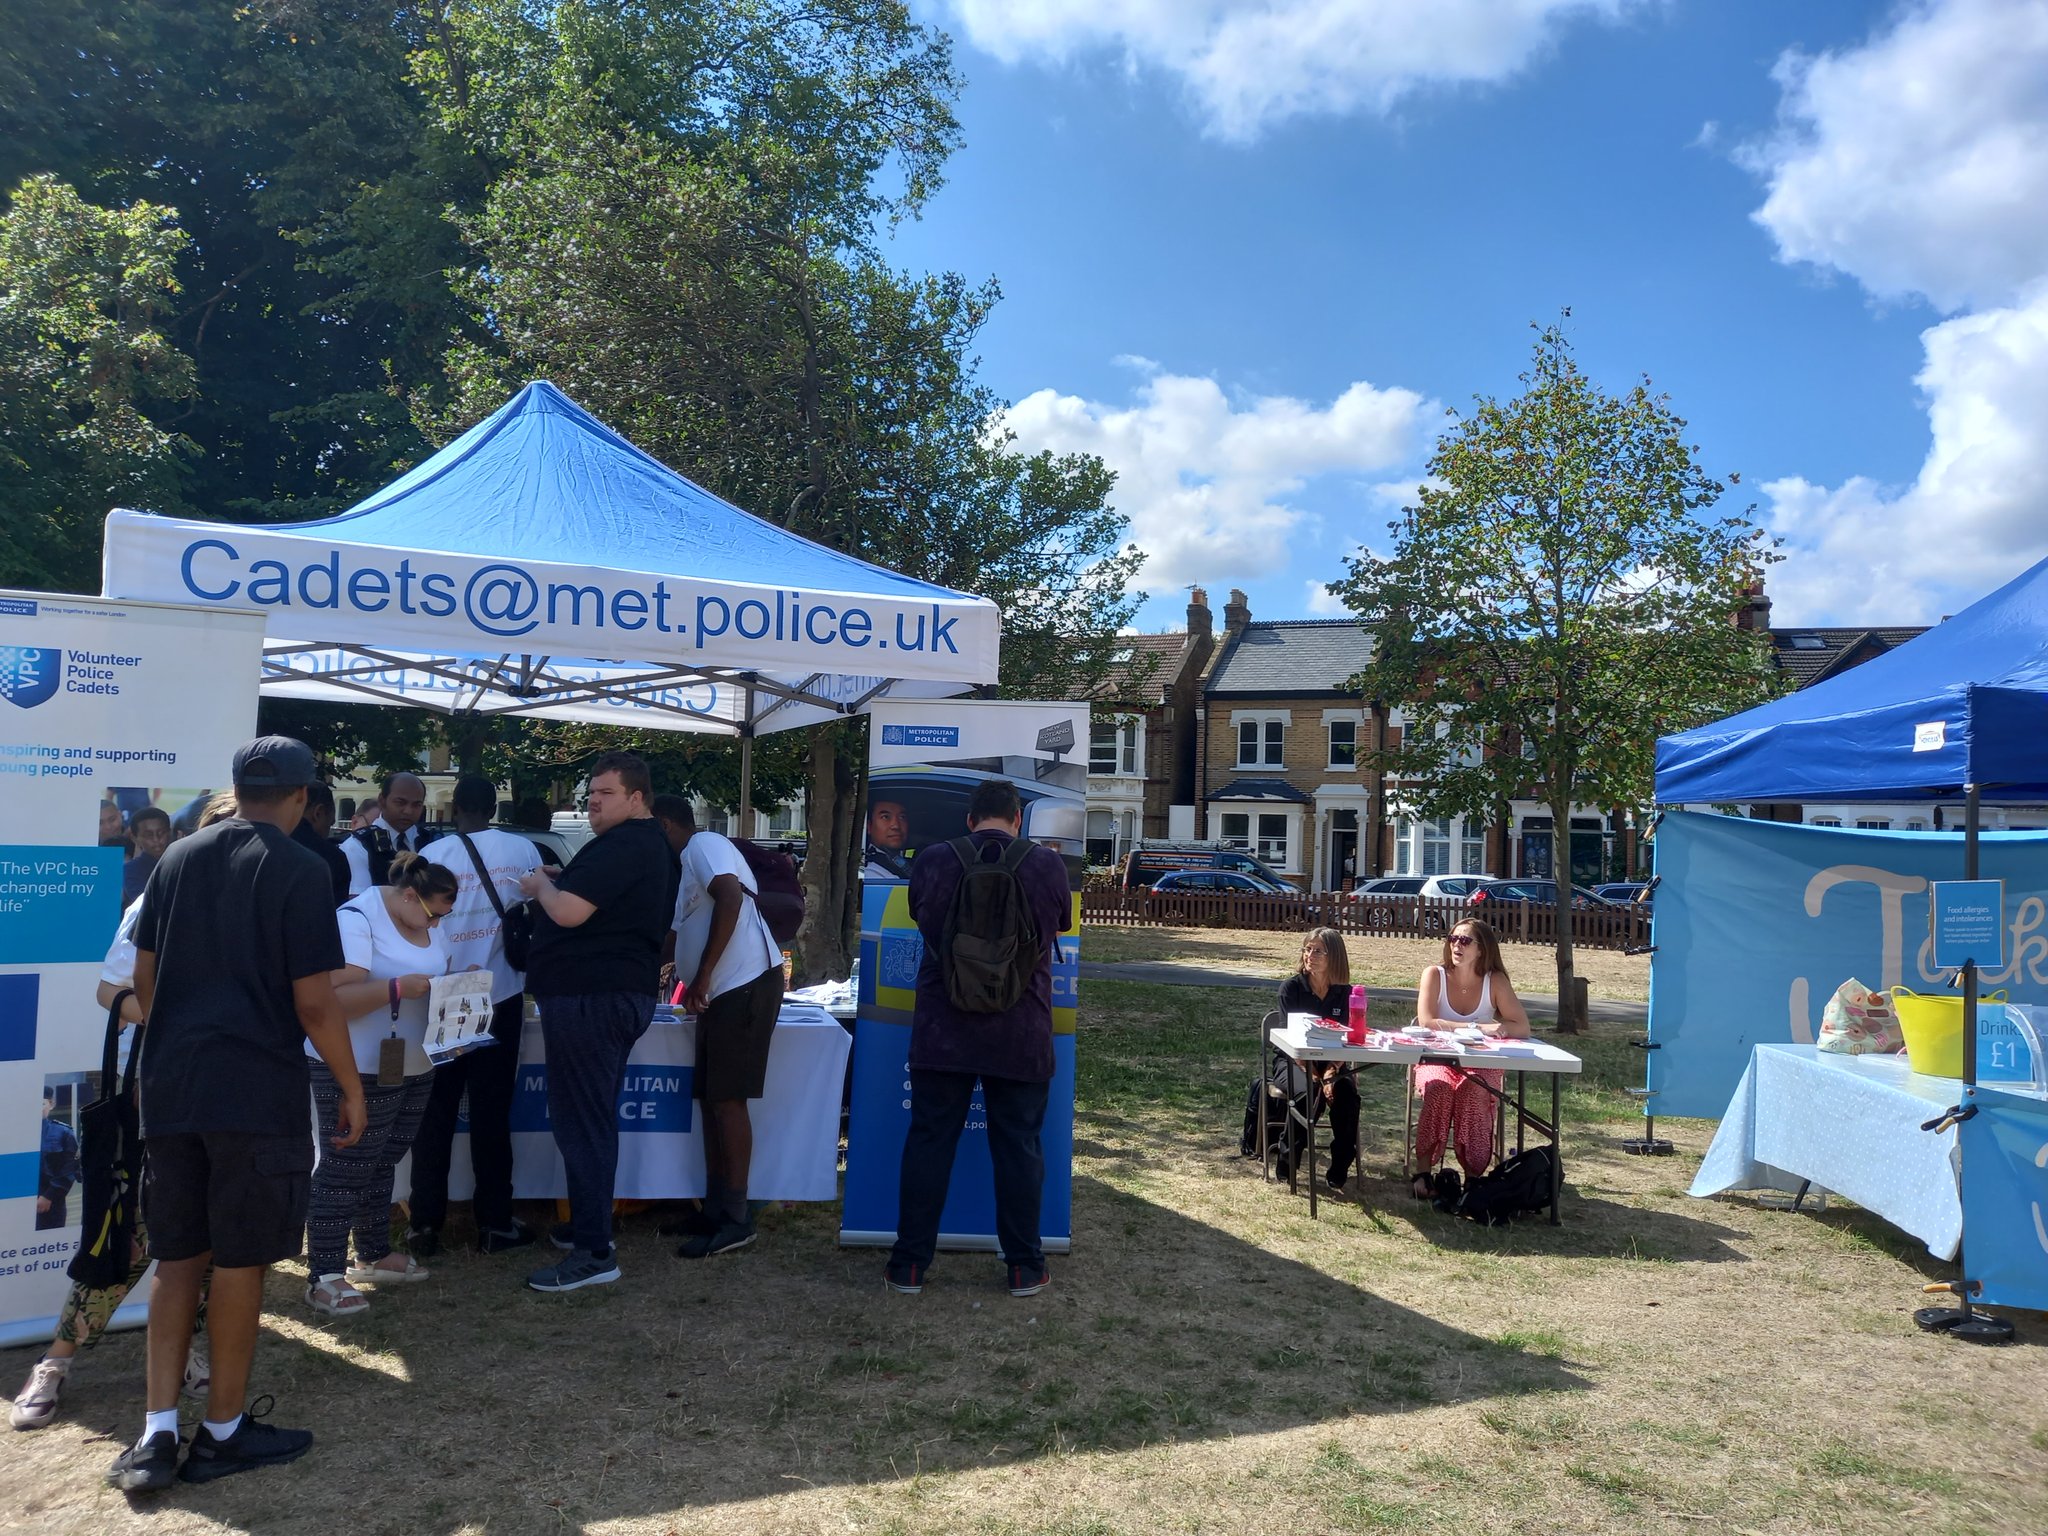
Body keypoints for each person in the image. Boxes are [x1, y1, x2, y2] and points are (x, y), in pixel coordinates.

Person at [108, 737, 365, 1493]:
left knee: (178, 1258)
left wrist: (183, 1044)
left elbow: (145, 980)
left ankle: (156, 1434)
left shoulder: (178, 858)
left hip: (174, 1085)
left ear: (239, 787)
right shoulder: (300, 868)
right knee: (241, 1261)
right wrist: (350, 1087)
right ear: (302, 796)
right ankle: (220, 1433)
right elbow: (314, 1001)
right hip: (254, 1091)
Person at [11, 796, 240, 1432]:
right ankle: (55, 1361)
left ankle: (185, 1353)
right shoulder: (157, 902)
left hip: (237, 1099)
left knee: (214, 1240)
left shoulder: (269, 906)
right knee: (129, 1231)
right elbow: (110, 989)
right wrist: (183, 1022)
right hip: (161, 1092)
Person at [886, 778, 1072, 1298]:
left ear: (969, 820)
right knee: (1018, 1147)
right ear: (1017, 819)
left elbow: (920, 916)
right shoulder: (1046, 864)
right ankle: (1024, 1268)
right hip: (1021, 1029)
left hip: (942, 1030)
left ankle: (908, 1266)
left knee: (929, 1141)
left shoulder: (934, 859)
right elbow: (1060, 923)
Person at [518, 752, 672, 1292]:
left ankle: (593, 1252)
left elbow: (568, 913)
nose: (592, 802)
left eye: (605, 793)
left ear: (637, 798)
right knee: (588, 1118)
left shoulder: (628, 842)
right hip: (598, 995)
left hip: (594, 998)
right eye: (589, 794)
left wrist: (541, 886)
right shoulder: (629, 845)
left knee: (582, 1122)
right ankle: (589, 1228)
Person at [302, 852, 457, 1316]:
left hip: (411, 1060)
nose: (436, 923)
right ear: (410, 895)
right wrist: (395, 989)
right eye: (433, 914)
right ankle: (324, 1274)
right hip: (352, 1062)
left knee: (384, 1157)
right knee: (346, 1162)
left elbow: (437, 975)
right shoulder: (355, 920)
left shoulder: (427, 915)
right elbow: (330, 1000)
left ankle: (370, 1253)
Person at [410, 775, 543, 1256]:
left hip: (446, 991)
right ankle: (494, 1222)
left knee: (437, 1113)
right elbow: (534, 907)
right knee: (491, 1112)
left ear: (454, 807)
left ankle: (425, 1224)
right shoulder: (521, 849)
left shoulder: (433, 855)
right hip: (501, 992)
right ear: (493, 806)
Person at [668, 801, 786, 1258]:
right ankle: (714, 1207)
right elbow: (676, 936)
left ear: (663, 823)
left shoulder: (704, 842)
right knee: (710, 1097)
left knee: (727, 1099)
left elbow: (732, 897)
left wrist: (702, 977)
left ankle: (737, 1219)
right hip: (718, 993)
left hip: (744, 984)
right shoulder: (686, 868)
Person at [1410, 918, 1530, 1197]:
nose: (1456, 945)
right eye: (1453, 939)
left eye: (1465, 941)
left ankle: (1473, 1177)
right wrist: (1476, 1027)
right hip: (1436, 1058)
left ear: (1482, 949)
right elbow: (1427, 1021)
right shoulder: (1434, 974)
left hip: (1481, 1060)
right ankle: (1423, 1172)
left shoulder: (1495, 981)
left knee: (1473, 1090)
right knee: (1439, 1090)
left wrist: (1500, 1028)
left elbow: (1522, 1027)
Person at [1276, 927, 1363, 1191]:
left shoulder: (1348, 994)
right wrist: (1315, 1075)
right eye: (1307, 949)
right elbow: (1290, 1043)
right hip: (1293, 1061)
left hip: (1334, 1062)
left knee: (1348, 1097)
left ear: (1334, 956)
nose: (1310, 956)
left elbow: (1349, 1038)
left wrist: (1331, 1073)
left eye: (1318, 951)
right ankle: (1287, 1160)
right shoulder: (1291, 989)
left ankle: (1339, 1167)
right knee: (1310, 1093)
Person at [340, 771, 436, 896]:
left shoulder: (432, 841)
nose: (408, 811)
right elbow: (360, 902)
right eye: (400, 802)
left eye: (416, 805)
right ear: (382, 800)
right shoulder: (358, 845)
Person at [291, 780, 352, 906]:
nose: (328, 831)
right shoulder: (333, 858)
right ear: (318, 813)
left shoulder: (261, 844)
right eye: (330, 823)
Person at [36, 1087, 80, 1231]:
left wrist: (49, 1195)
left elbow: (70, 1168)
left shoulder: (63, 1133)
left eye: (41, 1103)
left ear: (51, 1104)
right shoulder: (15, 1133)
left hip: (51, 1202)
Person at [122, 806, 172, 906]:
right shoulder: (131, 870)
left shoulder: (182, 863)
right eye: (149, 835)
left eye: (161, 833)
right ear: (134, 838)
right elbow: (147, 904)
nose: (156, 839)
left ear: (169, 833)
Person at [863, 796, 911, 879]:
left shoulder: (908, 864)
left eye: (902, 817)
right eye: (885, 817)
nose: (896, 826)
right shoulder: (869, 872)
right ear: (869, 826)